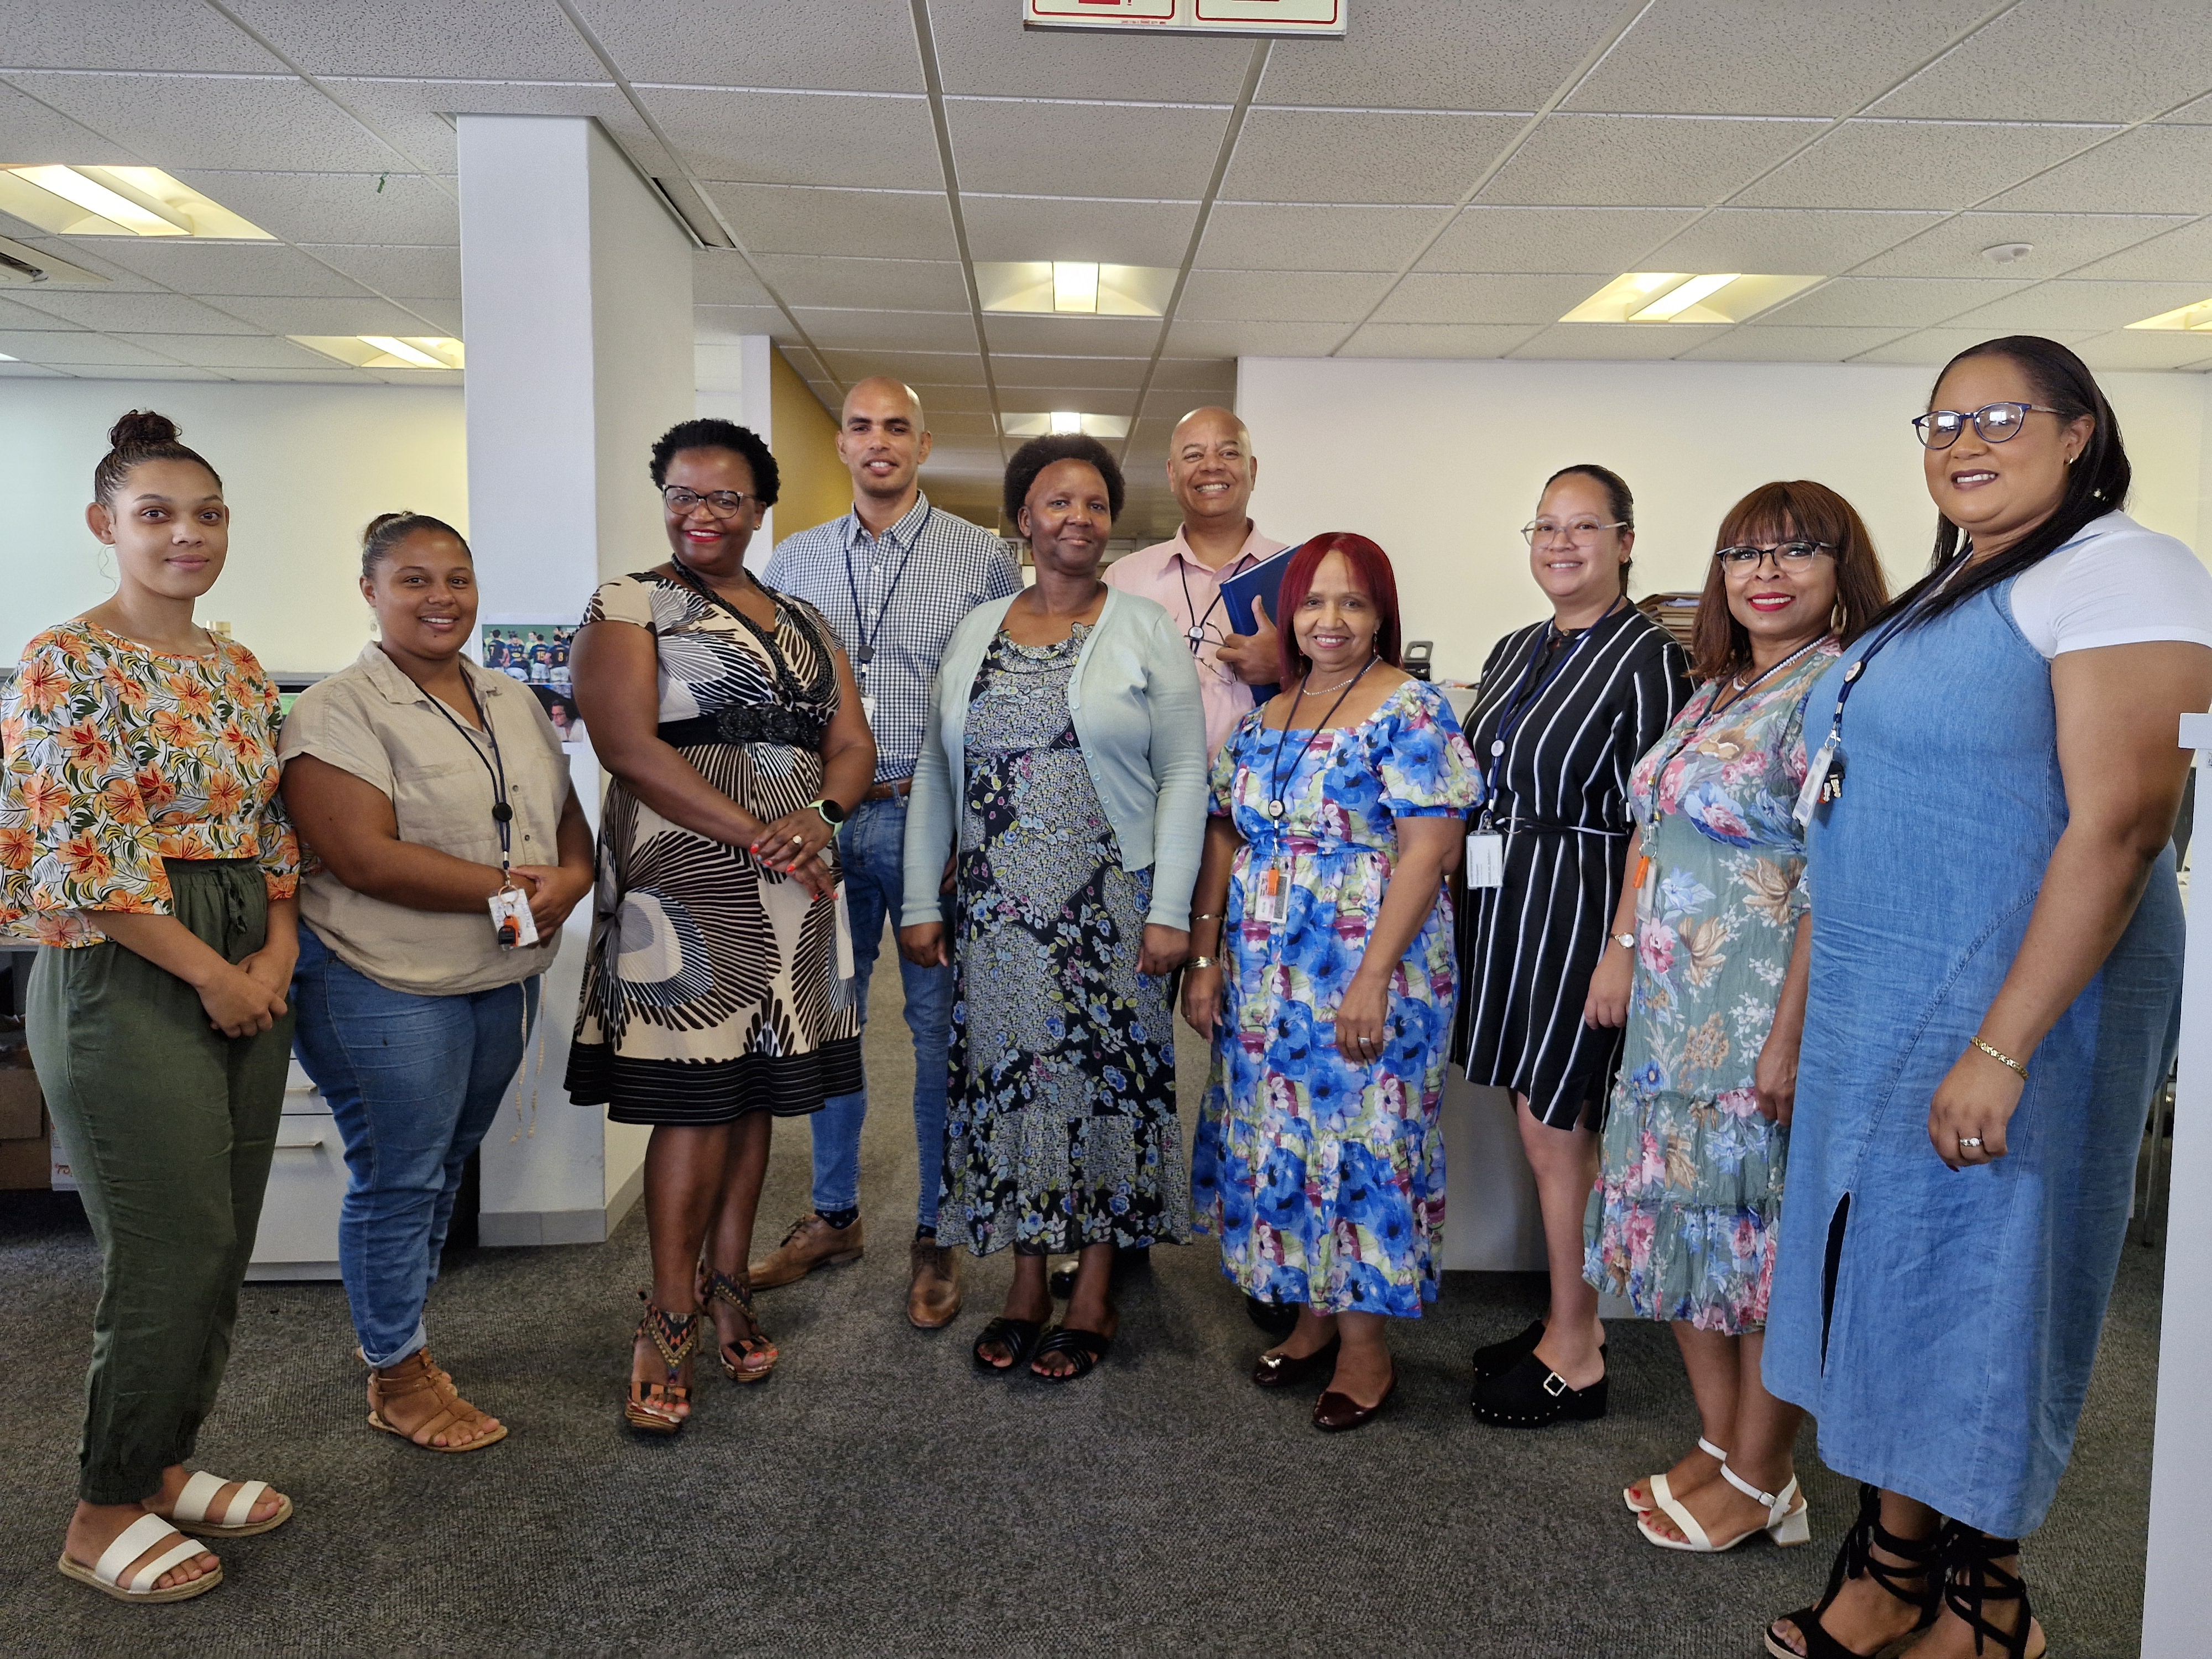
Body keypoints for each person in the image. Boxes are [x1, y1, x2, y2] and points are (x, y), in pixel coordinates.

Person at [1759, 338, 2212, 1659]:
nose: (1962, 439)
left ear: (2078, 432)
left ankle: (1986, 1598)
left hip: (2018, 1007)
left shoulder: (2124, 568)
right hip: (1886, 996)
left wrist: (2003, 1044)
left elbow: (2123, 824)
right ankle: (1896, 1561)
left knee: (1990, 1289)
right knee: (1891, 1281)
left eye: (1998, 415)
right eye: (1940, 418)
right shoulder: (1961, 580)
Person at [5, 411, 297, 1603]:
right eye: (157, 514)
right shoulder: (65, 662)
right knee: (163, 1251)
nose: (189, 535)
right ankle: (100, 1508)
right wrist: (217, 973)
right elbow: (90, 863)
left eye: (208, 513)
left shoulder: (231, 666)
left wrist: (274, 949)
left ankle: (165, 1461)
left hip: (242, 950)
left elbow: (272, 829)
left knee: (222, 1241)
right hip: (131, 967)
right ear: (104, 526)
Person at [1582, 482, 1889, 1554]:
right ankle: (1723, 1452)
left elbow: (1832, 876)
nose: (1766, 572)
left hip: (1758, 1008)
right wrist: (1619, 951)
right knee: (1678, 1230)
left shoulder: (1837, 688)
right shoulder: (1713, 688)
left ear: (1839, 569)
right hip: (1673, 1013)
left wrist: (1790, 1033)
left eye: (1795, 552)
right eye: (1742, 554)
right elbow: (1652, 830)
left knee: (1753, 1249)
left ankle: (1763, 1474)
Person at [567, 418, 875, 1434]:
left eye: (726, 498)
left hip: (794, 883)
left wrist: (818, 821)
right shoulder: (629, 603)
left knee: (758, 1097)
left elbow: (852, 745)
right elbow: (627, 745)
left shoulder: (806, 618)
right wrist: (760, 833)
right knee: (694, 1102)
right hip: (687, 879)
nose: (702, 513)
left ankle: (731, 1284)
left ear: (760, 509)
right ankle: (665, 1317)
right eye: (684, 495)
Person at [280, 513, 596, 1452]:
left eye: (456, 579)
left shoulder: (512, 699)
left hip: (498, 973)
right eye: (413, 580)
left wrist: (572, 882)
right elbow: (361, 857)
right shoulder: (336, 710)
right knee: (400, 1176)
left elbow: (567, 820)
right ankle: (397, 1370)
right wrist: (510, 890)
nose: (440, 598)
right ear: (370, 592)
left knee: (446, 1165)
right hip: (383, 979)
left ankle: (403, 1336)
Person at [895, 434, 1203, 1381]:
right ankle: (1027, 1282)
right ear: (1023, 518)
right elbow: (940, 776)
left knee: (1107, 1085)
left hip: (1113, 906)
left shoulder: (1145, 626)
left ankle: (1098, 1288)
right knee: (1013, 1084)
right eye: (1056, 502)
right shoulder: (980, 625)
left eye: (1095, 505)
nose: (1077, 518)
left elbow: (1185, 771)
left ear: (1112, 522)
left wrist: (1174, 912)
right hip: (997, 913)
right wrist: (920, 895)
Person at [1184, 533, 1480, 1431]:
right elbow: (1226, 836)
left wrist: (1373, 979)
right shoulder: (1264, 717)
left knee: (1360, 1150)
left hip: (1368, 969)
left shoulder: (1412, 710)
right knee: (1284, 1142)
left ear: (1381, 613)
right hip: (1267, 977)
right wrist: (1205, 959)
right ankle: (1311, 1322)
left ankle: (1365, 1350)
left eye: (1352, 602)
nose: (1330, 620)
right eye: (1314, 602)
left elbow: (1431, 847)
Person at [759, 376, 1021, 1328]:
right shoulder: (793, 561)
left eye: (898, 428)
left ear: (923, 443)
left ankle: (936, 1228)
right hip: (822, 823)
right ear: (840, 445)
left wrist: (972, 831)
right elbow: (776, 704)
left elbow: (1003, 701)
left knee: (939, 1027)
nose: (880, 443)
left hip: (926, 816)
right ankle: (833, 1215)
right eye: (863, 427)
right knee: (830, 1021)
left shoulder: (980, 558)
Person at [1454, 463, 1689, 1429]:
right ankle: (1562, 1316)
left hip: (1582, 912)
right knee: (1533, 1121)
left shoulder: (1652, 661)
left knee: (1559, 1128)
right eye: (1545, 526)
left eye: (1584, 526)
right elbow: (1486, 791)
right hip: (1505, 912)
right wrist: (1463, 910)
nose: (1560, 543)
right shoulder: (1516, 649)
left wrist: (1623, 947)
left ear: (1626, 541)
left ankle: (1580, 1347)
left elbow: (1660, 821)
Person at [1103, 405, 1290, 755]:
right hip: (1152, 793)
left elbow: (1355, 688)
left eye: (1229, 452)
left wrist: (1288, 667)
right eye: (1194, 455)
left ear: (1252, 470)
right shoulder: (1124, 578)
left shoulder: (1299, 572)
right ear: (1172, 475)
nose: (1212, 465)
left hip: (1268, 794)